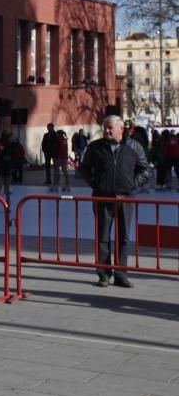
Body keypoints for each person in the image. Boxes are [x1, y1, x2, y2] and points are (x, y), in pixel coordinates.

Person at [78, 115, 152, 288]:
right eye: (105, 127)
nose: (107, 130)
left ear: (121, 129)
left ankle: (121, 274)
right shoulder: (95, 147)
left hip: (125, 198)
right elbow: (84, 169)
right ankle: (103, 274)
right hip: (102, 198)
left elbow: (145, 170)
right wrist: (95, 183)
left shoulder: (134, 146)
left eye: (110, 127)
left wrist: (131, 184)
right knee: (102, 237)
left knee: (123, 237)